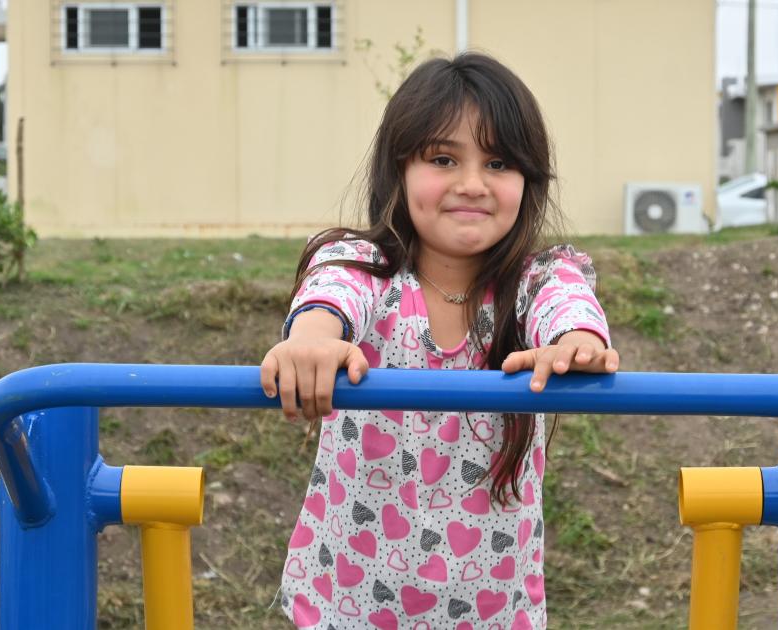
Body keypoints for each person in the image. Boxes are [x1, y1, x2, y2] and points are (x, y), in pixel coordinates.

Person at [260, 52, 618, 630]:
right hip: (349, 606)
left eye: (498, 162)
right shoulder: (367, 270)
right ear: (398, 170)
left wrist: (573, 343)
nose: (471, 184)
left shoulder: (534, 280)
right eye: (444, 159)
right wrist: (312, 342)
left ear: (527, 179)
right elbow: (330, 297)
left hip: (492, 610)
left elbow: (567, 305)